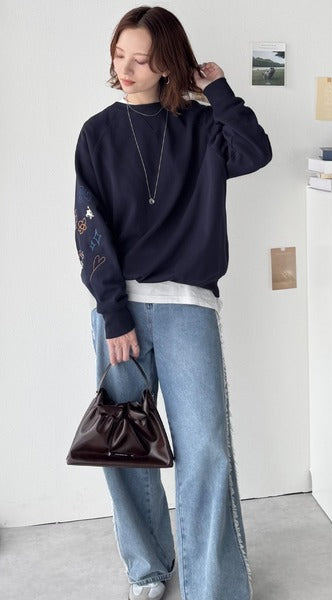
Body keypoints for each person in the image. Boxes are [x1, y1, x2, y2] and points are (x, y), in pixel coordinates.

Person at [74, 6, 272, 600]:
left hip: (188, 306)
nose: (127, 69)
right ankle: (148, 569)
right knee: (123, 446)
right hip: (121, 313)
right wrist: (114, 313)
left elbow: (255, 150)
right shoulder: (97, 133)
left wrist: (218, 88)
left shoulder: (202, 126)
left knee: (206, 450)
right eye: (120, 55)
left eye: (142, 59)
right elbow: (89, 230)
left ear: (167, 65)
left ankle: (213, 587)